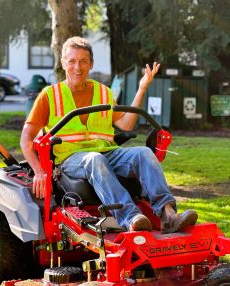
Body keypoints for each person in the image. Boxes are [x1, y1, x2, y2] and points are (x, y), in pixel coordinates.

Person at [20, 36, 198, 233]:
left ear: (91, 64)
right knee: (94, 160)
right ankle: (130, 218)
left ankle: (168, 214)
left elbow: (127, 124)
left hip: (107, 153)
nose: (77, 67)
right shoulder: (49, 95)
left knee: (143, 153)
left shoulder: (103, 92)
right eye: (72, 61)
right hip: (70, 160)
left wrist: (142, 88)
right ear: (63, 63)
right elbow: (26, 138)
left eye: (83, 61)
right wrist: (38, 171)